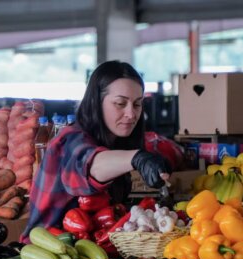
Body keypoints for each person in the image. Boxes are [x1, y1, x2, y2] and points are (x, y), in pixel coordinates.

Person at [21, 60, 171, 240]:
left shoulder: (115, 142)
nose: (131, 114)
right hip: (45, 256)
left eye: (137, 104)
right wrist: (137, 158)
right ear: (96, 102)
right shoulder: (70, 140)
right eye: (120, 104)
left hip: (86, 252)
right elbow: (91, 165)